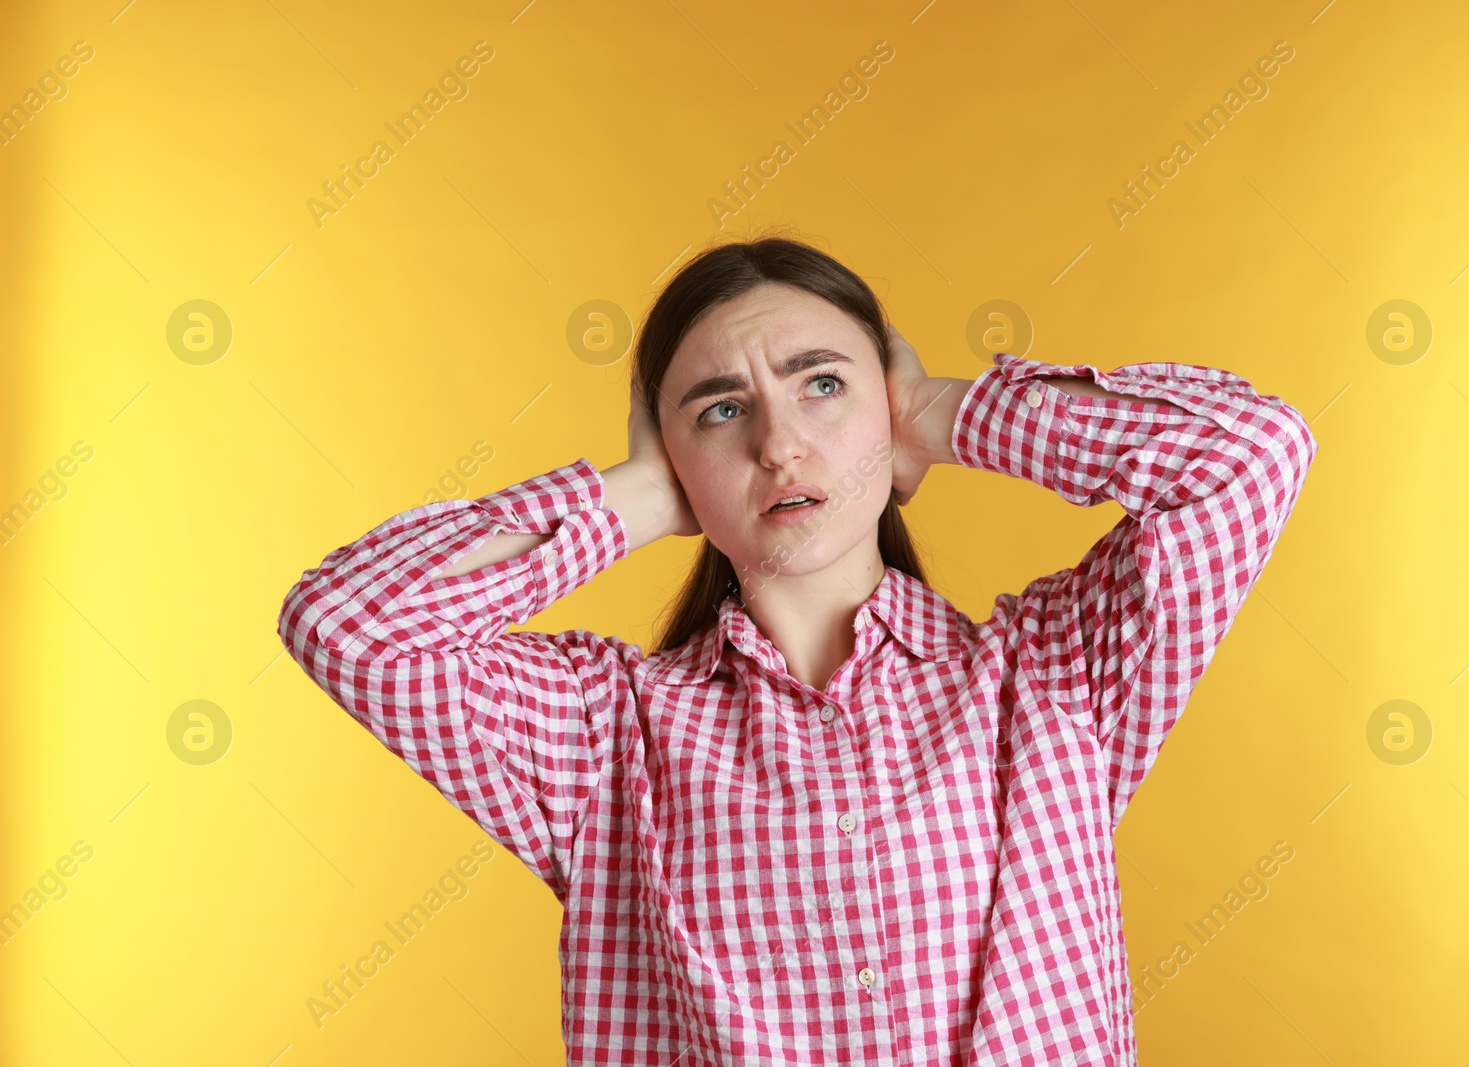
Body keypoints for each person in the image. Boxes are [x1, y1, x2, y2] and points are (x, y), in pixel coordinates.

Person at [277, 235, 1317, 1065]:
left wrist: (946, 414)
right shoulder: (605, 738)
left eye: (822, 384)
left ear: (887, 409)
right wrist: (638, 496)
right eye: (721, 410)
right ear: (677, 460)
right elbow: (349, 620)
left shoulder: (1052, 677)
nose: (777, 444)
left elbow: (1250, 454)